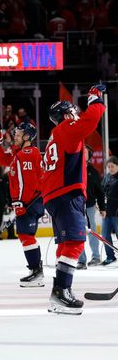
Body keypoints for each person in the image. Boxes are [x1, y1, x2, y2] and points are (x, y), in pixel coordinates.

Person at [41, 85, 106, 314]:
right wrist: (95, 100)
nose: (77, 115)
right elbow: (90, 122)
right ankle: (61, 292)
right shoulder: (67, 128)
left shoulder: (53, 139)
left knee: (66, 244)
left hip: (55, 196)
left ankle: (58, 293)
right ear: (67, 115)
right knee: (76, 243)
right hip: (67, 194)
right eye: (74, 112)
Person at [0, 122, 46, 286]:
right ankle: (36, 271)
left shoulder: (26, 154)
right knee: (26, 236)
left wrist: (20, 202)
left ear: (27, 137)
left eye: (19, 134)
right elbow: (0, 158)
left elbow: (26, 182)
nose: (15, 136)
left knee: (26, 236)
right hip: (29, 201)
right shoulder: (20, 153)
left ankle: (37, 272)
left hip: (30, 201)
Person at [77, 148, 105, 268]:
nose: (82, 155)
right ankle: (81, 260)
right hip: (76, 206)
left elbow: (100, 192)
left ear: (89, 156)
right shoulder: (74, 169)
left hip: (89, 206)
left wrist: (102, 207)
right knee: (78, 233)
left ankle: (96, 257)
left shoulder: (93, 172)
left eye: (85, 153)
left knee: (92, 231)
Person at [100, 156, 118, 266]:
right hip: (107, 212)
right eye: (109, 167)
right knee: (105, 235)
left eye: (112, 166)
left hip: (117, 213)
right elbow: (101, 190)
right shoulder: (107, 177)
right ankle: (110, 256)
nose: (110, 169)